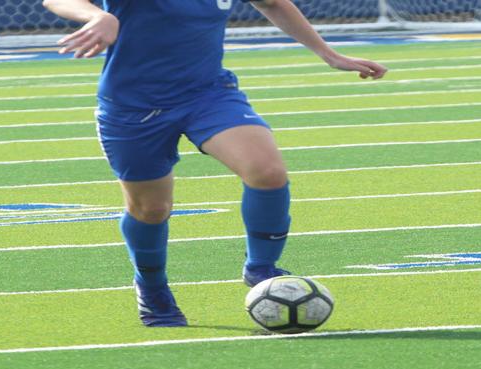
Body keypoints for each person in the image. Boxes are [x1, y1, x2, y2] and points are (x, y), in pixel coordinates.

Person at [41, 0, 387, 327]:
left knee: (267, 171)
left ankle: (261, 267)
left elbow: (273, 3)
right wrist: (98, 16)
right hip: (132, 106)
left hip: (208, 94)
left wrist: (329, 54)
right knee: (150, 209)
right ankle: (152, 288)